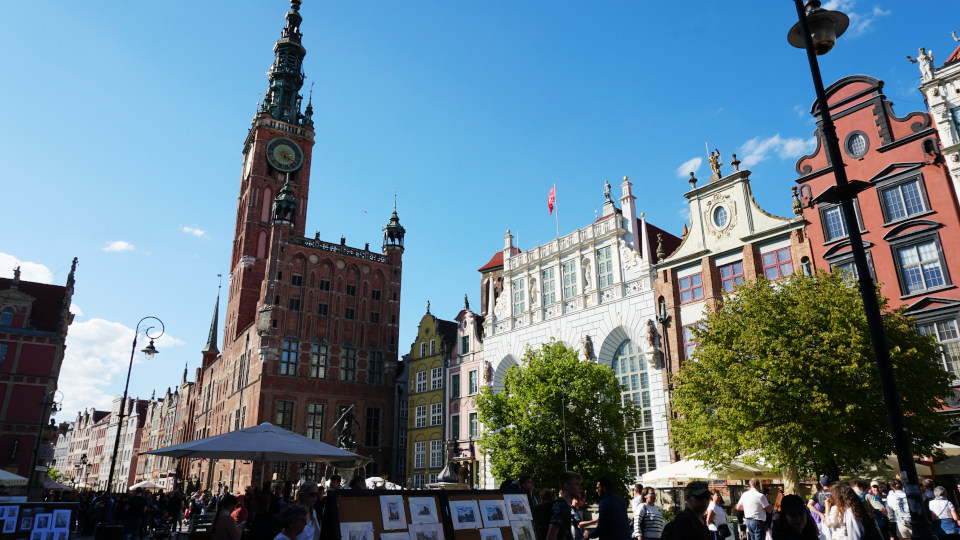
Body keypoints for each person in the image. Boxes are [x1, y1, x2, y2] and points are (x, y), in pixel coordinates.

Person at [546, 471, 584, 540]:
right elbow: (551, 537)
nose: (580, 487)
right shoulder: (561, 505)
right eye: (577, 484)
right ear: (567, 486)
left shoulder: (565, 505)